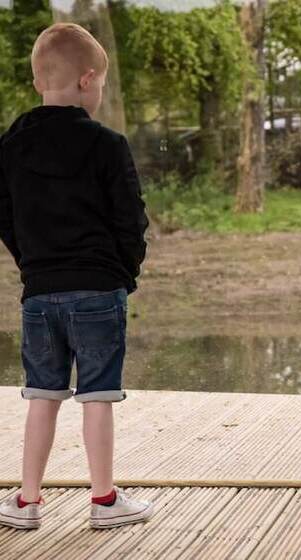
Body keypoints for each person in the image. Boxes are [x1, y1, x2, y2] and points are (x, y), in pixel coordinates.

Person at [0, 23, 151, 530]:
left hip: (40, 293)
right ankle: (104, 501)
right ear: (88, 80)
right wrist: (124, 273)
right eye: (101, 84)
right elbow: (130, 218)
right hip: (98, 289)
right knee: (98, 396)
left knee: (41, 395)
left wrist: (32, 264)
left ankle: (26, 502)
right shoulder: (107, 144)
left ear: (39, 81)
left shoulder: (10, 145)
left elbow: (4, 214)